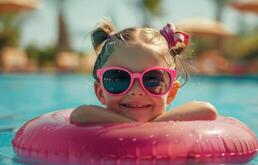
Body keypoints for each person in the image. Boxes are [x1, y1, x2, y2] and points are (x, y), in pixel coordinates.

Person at [70, 18, 217, 123]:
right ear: (100, 92)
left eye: (152, 79)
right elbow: (79, 115)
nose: (136, 91)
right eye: (119, 79)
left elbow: (207, 110)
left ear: (171, 92)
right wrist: (134, 127)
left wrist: (151, 126)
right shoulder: (90, 120)